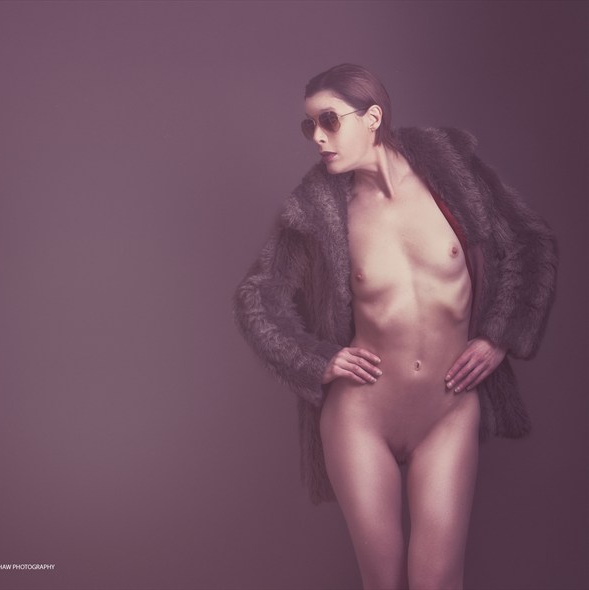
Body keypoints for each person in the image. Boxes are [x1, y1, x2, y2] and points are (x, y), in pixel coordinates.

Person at [232, 63, 558, 590]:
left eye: (329, 120)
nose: (317, 137)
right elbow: (257, 297)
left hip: (448, 413)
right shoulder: (316, 210)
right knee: (382, 582)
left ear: (373, 117)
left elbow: (529, 241)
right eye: (309, 126)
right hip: (362, 418)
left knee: (437, 580)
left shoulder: (454, 175)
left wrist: (499, 336)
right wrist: (318, 359)